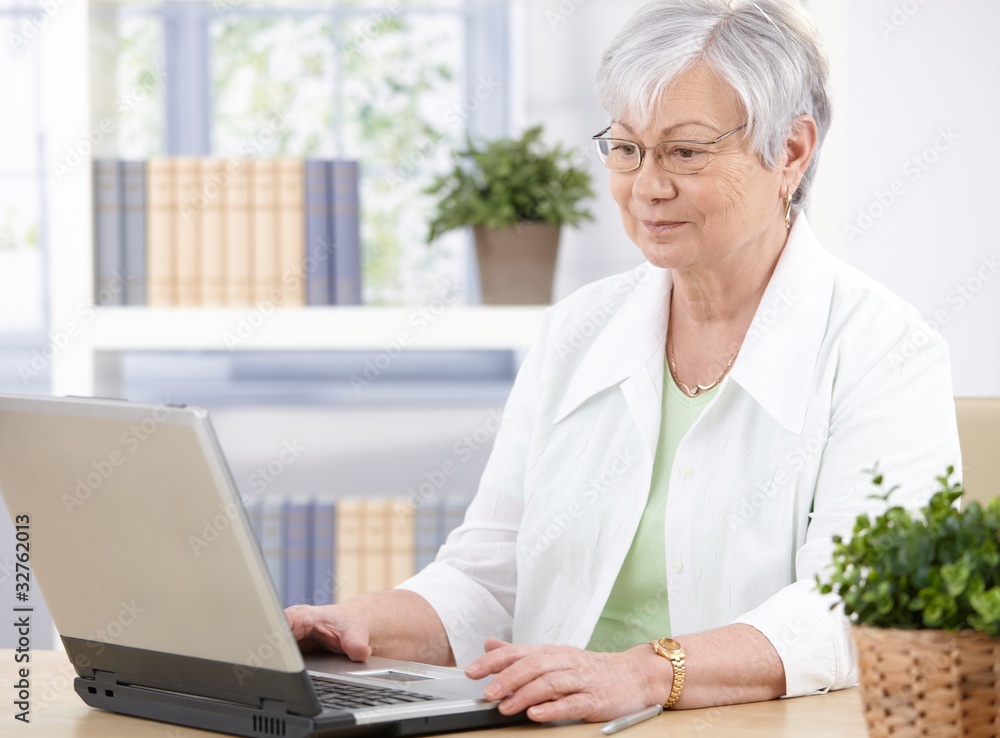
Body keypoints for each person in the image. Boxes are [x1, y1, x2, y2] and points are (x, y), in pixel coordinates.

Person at [287, 0, 961, 722]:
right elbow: (487, 579)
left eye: (686, 152)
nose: (647, 186)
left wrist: (645, 673)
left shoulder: (885, 352)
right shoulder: (574, 332)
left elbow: (854, 608)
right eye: (627, 148)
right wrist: (360, 622)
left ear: (791, 151)